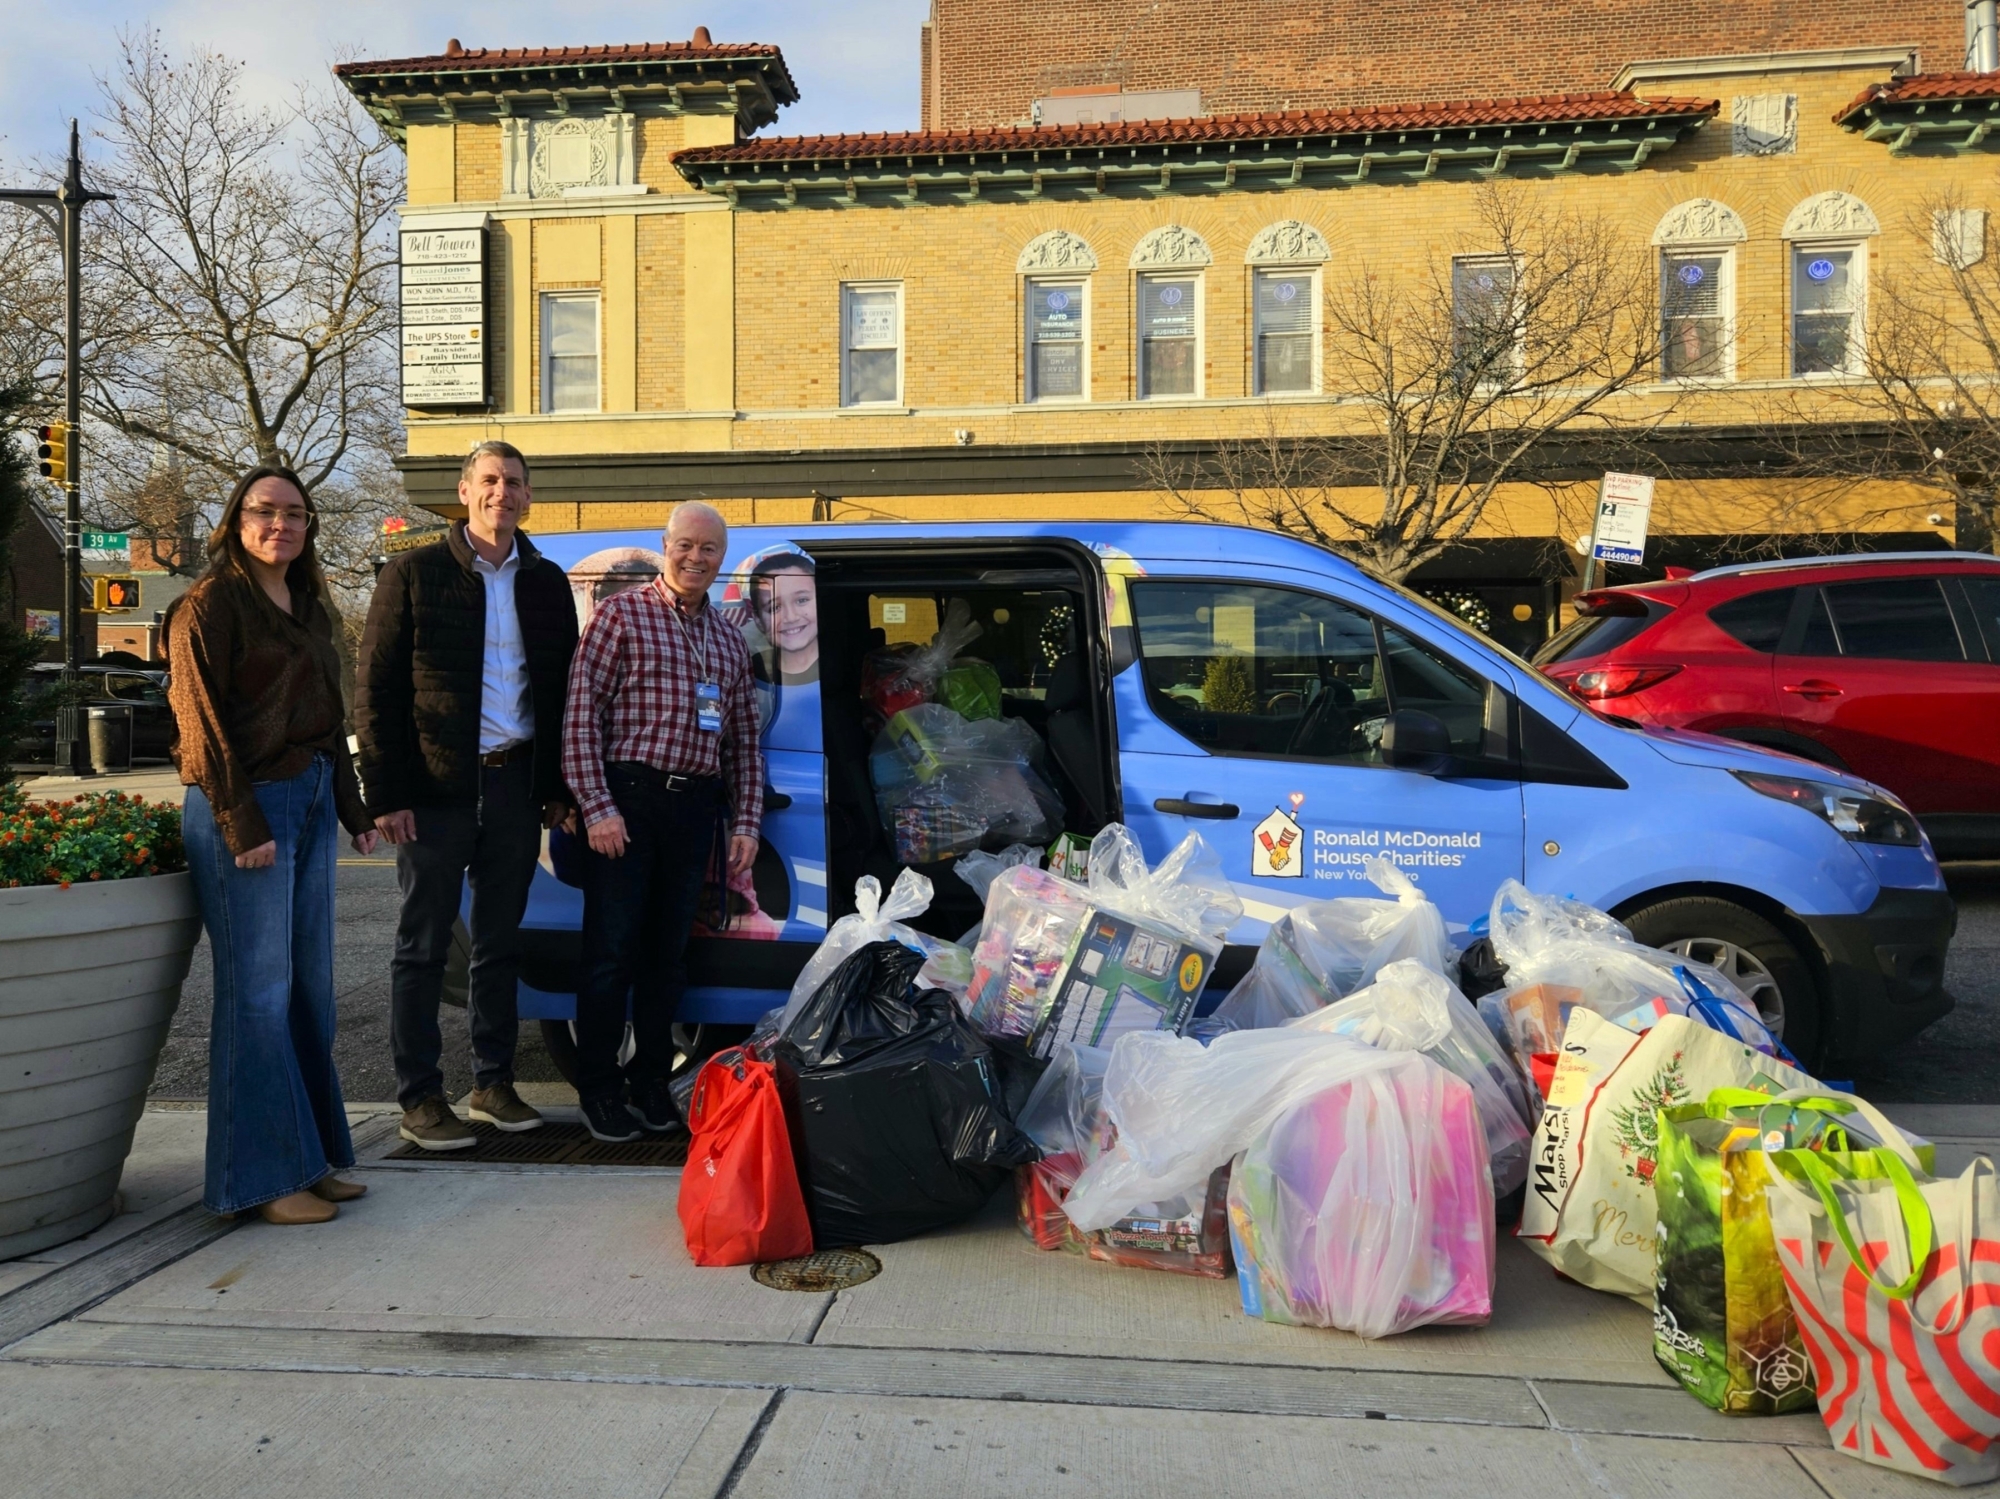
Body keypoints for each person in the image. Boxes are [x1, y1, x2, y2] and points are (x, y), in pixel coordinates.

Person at [165, 466, 378, 1225]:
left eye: (295, 513)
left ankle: (310, 1159)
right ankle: (260, 1181)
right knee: (256, 997)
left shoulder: (309, 604)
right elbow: (198, 719)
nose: (280, 524)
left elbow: (326, 719)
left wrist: (354, 810)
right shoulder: (210, 604)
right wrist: (241, 821)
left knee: (308, 990)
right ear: (235, 520)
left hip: (311, 796)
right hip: (249, 804)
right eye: (265, 510)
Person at [355, 440, 579, 1151]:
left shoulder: (546, 582)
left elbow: (561, 692)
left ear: (528, 495)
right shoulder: (412, 573)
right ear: (464, 490)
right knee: (422, 946)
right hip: (433, 790)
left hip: (515, 784)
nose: (501, 492)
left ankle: (492, 1083)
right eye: (489, 480)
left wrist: (555, 786)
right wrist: (384, 793)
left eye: (514, 481)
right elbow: (375, 691)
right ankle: (420, 1097)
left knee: (499, 943)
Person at [561, 501, 764, 1142]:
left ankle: (650, 1083)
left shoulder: (728, 638)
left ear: (721, 557)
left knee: (668, 958)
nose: (696, 558)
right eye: (686, 545)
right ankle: (599, 1089)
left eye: (709, 549)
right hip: (628, 799)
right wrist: (597, 808)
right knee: (610, 954)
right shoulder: (621, 615)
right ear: (666, 545)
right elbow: (580, 716)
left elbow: (743, 741)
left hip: (694, 805)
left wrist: (746, 822)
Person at [747, 551, 819, 685]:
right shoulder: (747, 672)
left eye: (802, 600)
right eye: (775, 608)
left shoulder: (847, 664)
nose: (791, 618)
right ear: (758, 620)